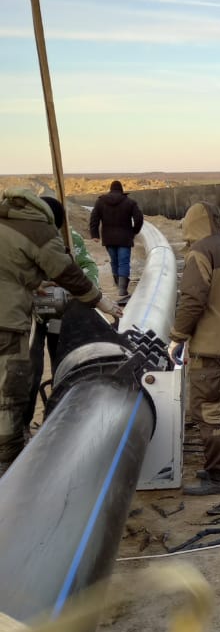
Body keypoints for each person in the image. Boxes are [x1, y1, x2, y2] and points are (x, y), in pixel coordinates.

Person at [0, 187, 123, 477]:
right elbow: (67, 272)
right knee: (11, 391)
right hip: (7, 322)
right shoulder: (39, 230)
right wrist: (100, 301)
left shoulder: (6, 222)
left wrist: (31, 283)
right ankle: (11, 466)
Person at [167, 201, 220, 496]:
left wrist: (177, 336)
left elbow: (192, 299)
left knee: (207, 413)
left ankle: (217, 477)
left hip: (210, 350)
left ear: (191, 224)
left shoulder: (199, 253)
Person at [26, 195, 101, 418]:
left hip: (60, 313)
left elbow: (87, 265)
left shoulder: (70, 238)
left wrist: (84, 291)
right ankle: (24, 421)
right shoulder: (21, 241)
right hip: (29, 317)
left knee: (63, 360)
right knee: (30, 368)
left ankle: (60, 413)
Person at [89, 180, 143, 302]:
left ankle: (118, 285)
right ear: (121, 190)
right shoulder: (130, 202)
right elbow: (139, 218)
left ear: (110, 189)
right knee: (123, 262)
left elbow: (94, 219)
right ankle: (122, 290)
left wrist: (95, 234)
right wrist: (135, 230)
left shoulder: (100, 202)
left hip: (108, 238)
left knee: (115, 261)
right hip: (125, 237)